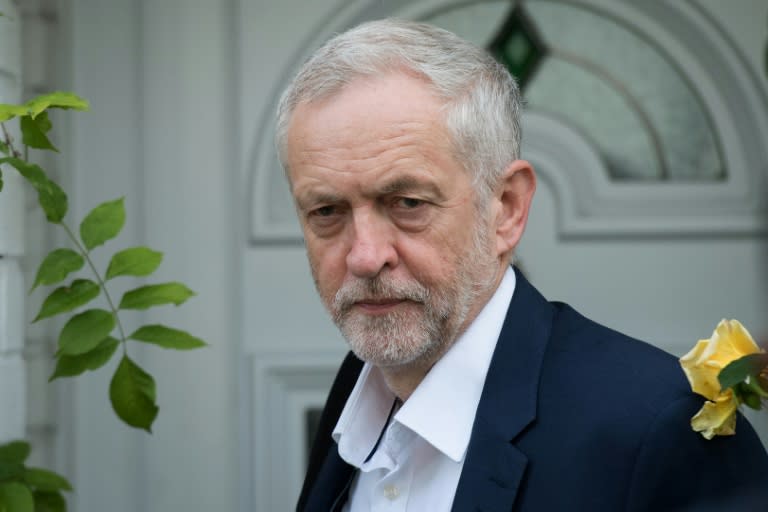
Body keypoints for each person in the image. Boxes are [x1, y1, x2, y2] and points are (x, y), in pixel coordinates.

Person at [276, 18, 768, 512]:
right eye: (326, 211)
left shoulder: (660, 429)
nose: (364, 256)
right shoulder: (359, 385)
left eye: (407, 203)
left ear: (506, 208)